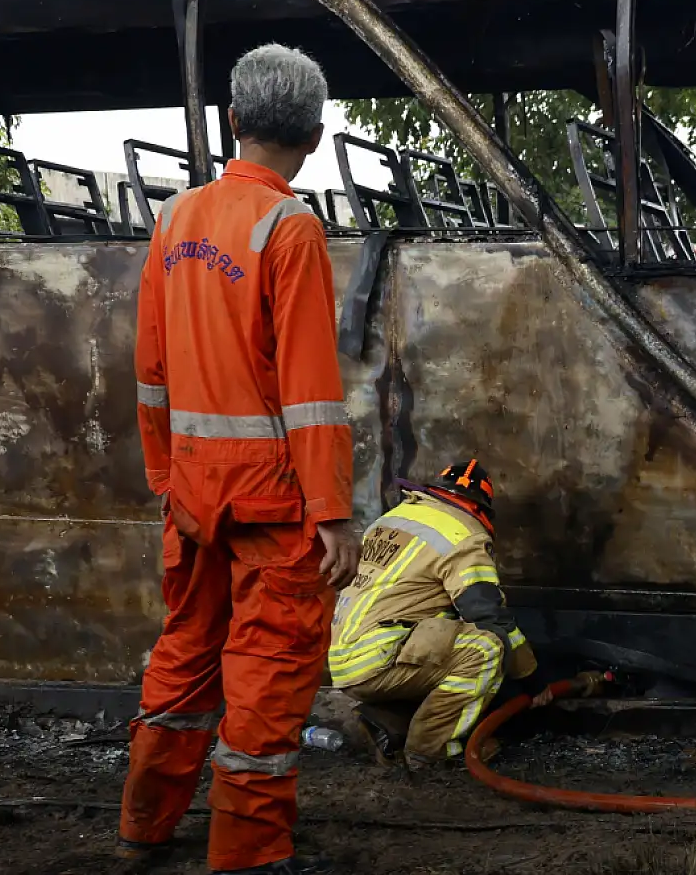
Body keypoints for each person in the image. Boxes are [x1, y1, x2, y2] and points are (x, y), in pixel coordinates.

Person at [119, 43, 360, 875]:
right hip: (274, 505)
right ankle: (250, 856)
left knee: (186, 651)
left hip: (192, 496)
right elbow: (311, 392)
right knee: (265, 674)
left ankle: (146, 823)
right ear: (317, 137)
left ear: (232, 121)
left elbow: (151, 371)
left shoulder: (173, 219)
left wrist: (166, 477)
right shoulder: (289, 228)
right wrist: (332, 511)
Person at [328, 459, 553, 774]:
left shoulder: (394, 518)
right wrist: (532, 678)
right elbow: (488, 615)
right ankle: (431, 751)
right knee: (485, 649)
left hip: (344, 657)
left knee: (442, 635)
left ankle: (383, 722)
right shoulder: (463, 533)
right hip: (381, 657)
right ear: (480, 507)